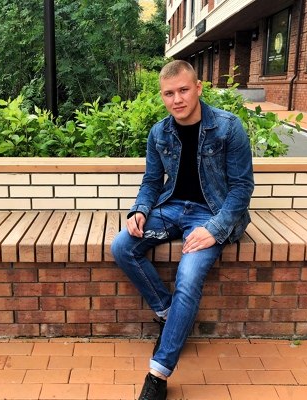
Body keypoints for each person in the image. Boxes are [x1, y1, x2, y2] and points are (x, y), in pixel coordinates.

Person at [111, 60, 254, 400]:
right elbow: (151, 182)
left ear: (198, 88)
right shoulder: (159, 132)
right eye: (169, 93)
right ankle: (169, 313)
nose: (177, 99)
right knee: (122, 246)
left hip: (211, 214)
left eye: (184, 90)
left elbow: (241, 188)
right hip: (171, 209)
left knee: (188, 278)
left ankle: (158, 374)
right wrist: (139, 210)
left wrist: (215, 229)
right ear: (162, 96)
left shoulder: (228, 127)